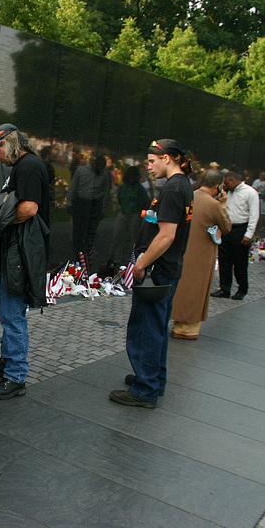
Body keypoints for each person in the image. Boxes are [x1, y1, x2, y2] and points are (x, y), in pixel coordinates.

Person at [109, 139, 193, 408]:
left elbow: (167, 235)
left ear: (167, 158)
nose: (148, 166)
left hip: (157, 271)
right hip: (167, 270)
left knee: (145, 329)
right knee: (156, 328)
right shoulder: (182, 185)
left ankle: (145, 390)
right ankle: (154, 380)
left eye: (151, 160)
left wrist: (142, 264)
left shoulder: (172, 189)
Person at [0, 123, 49, 400]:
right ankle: (8, 360)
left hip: (20, 252)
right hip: (13, 250)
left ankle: (16, 375)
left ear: (11, 142)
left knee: (13, 314)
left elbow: (29, 208)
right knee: (7, 310)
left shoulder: (28, 166)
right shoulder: (23, 166)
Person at [171, 170, 231, 339]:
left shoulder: (190, 195)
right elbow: (226, 227)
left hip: (182, 248)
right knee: (196, 288)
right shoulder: (214, 205)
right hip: (202, 253)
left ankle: (177, 321)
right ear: (218, 186)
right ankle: (186, 329)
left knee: (182, 285)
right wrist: (224, 204)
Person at [210, 171, 259, 300]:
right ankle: (224, 289)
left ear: (232, 180)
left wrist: (249, 234)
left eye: (226, 182)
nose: (224, 185)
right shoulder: (227, 193)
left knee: (240, 262)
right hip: (227, 228)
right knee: (224, 260)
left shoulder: (250, 192)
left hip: (240, 229)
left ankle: (242, 289)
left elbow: (254, 215)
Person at [67, 155, 111, 261]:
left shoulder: (104, 175)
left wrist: (103, 209)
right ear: (94, 164)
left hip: (95, 203)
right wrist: (69, 202)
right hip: (81, 202)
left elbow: (106, 193)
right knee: (78, 228)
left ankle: (87, 251)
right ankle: (77, 252)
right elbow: (73, 187)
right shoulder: (81, 171)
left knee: (90, 230)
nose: (99, 171)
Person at [107, 166, 150, 267]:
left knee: (132, 238)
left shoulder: (139, 189)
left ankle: (131, 260)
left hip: (133, 214)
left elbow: (145, 202)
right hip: (124, 214)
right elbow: (120, 200)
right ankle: (111, 258)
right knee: (117, 236)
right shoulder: (123, 187)